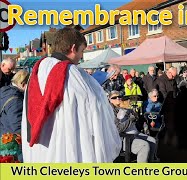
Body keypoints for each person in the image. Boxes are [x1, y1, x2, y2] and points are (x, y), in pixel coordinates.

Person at [21, 27, 121, 162]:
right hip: (67, 149)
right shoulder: (73, 73)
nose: (81, 57)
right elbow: (96, 108)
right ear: (73, 48)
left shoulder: (38, 69)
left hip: (41, 149)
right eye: (81, 51)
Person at [109, 91, 156, 163]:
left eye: (119, 97)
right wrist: (130, 119)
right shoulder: (111, 111)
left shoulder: (124, 107)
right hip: (124, 139)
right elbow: (118, 129)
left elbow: (136, 120)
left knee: (152, 141)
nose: (118, 98)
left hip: (134, 134)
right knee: (144, 145)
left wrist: (134, 113)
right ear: (110, 100)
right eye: (114, 97)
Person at [0, 70, 29, 162]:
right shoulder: (16, 101)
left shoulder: (5, 92)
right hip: (13, 148)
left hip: (5, 140)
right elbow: (18, 128)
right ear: (23, 84)